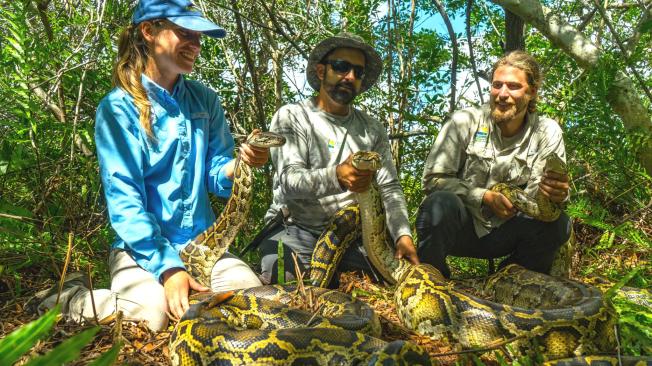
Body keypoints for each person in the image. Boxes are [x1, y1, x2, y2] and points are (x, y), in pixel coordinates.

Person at [32, 0, 270, 331]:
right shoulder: (117, 109)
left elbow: (217, 176)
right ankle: (66, 296)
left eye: (199, 36)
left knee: (257, 300)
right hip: (141, 251)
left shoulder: (205, 100)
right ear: (148, 32)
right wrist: (170, 269)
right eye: (185, 33)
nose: (196, 44)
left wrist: (240, 164)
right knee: (151, 315)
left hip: (204, 244)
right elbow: (125, 203)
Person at [256, 32, 419, 286]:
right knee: (282, 280)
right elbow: (289, 180)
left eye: (358, 71)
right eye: (341, 67)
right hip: (296, 228)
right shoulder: (292, 116)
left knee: (392, 281)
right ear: (321, 71)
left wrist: (402, 235)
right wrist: (338, 176)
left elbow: (389, 187)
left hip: (353, 232)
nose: (350, 77)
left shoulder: (372, 128)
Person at [416, 51, 572, 278]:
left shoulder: (547, 131)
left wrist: (558, 195)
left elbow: (544, 204)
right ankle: (431, 278)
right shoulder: (464, 121)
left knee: (559, 225)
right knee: (439, 203)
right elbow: (433, 180)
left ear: (532, 91)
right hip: (463, 228)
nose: (502, 94)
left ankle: (512, 279)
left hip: (508, 232)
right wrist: (484, 197)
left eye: (513, 86)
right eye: (497, 85)